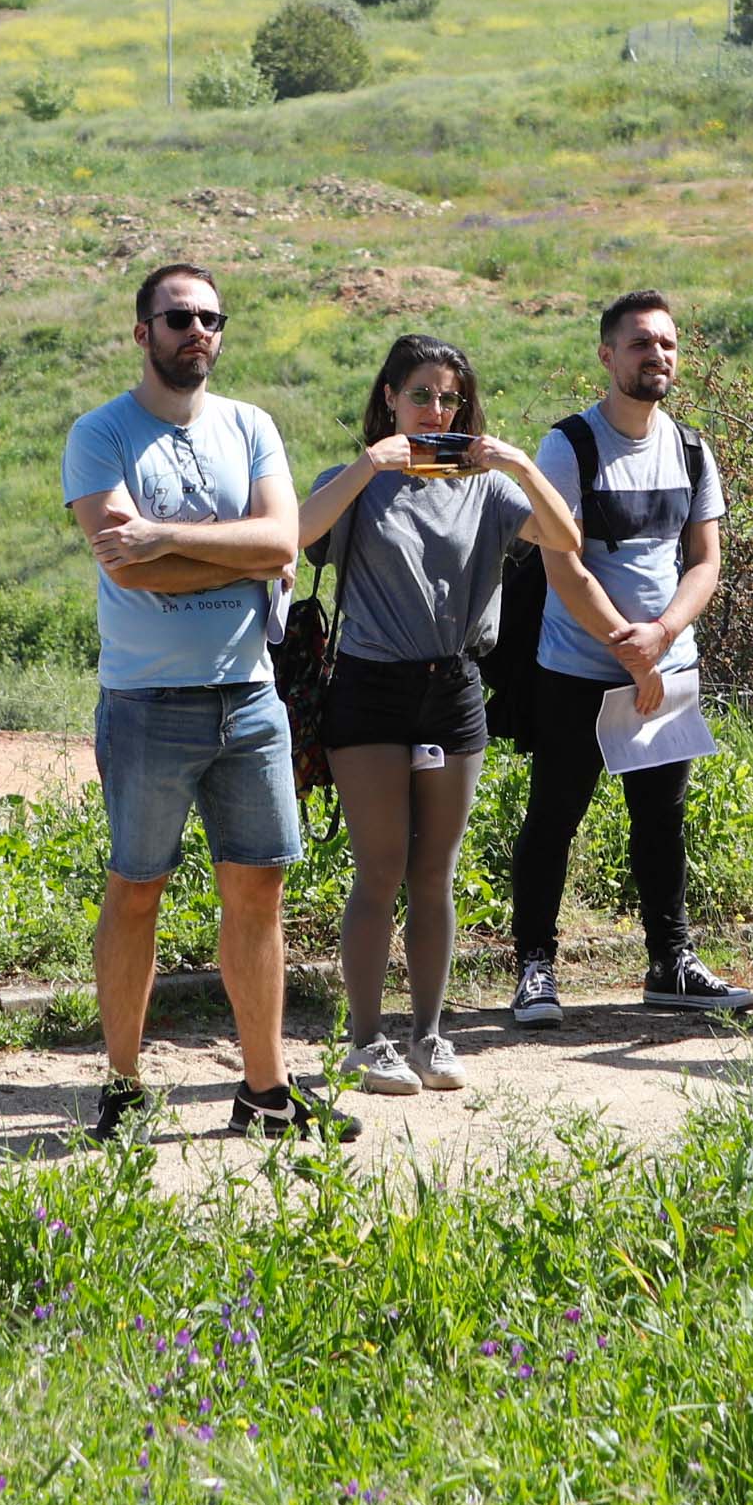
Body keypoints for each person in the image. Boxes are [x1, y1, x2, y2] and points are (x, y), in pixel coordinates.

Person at [62, 262, 351, 1146]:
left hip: (250, 697)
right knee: (136, 888)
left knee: (257, 890)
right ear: (140, 329)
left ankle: (264, 1090)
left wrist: (169, 538)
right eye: (178, 316)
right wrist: (239, 553)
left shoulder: (251, 424)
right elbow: (124, 561)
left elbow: (283, 540)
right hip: (148, 701)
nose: (197, 330)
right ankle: (122, 1086)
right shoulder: (99, 434)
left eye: (211, 317)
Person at [295, 334, 582, 1095]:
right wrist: (367, 465)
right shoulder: (357, 479)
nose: (435, 409)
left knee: (435, 873)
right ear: (388, 396)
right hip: (370, 687)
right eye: (419, 394)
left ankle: (427, 1034)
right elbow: (294, 539)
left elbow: (565, 537)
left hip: (452, 687)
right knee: (380, 869)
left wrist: (519, 464)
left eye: (449, 397)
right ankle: (364, 1040)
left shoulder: (485, 488)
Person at [506, 289, 753, 1027]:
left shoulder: (690, 448)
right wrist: (631, 643)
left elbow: (705, 561)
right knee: (554, 815)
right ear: (606, 355)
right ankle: (534, 968)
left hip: (666, 670)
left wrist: (662, 640)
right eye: (641, 343)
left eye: (667, 344)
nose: (657, 356)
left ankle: (669, 962)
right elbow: (564, 566)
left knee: (661, 819)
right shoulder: (569, 445)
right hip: (577, 671)